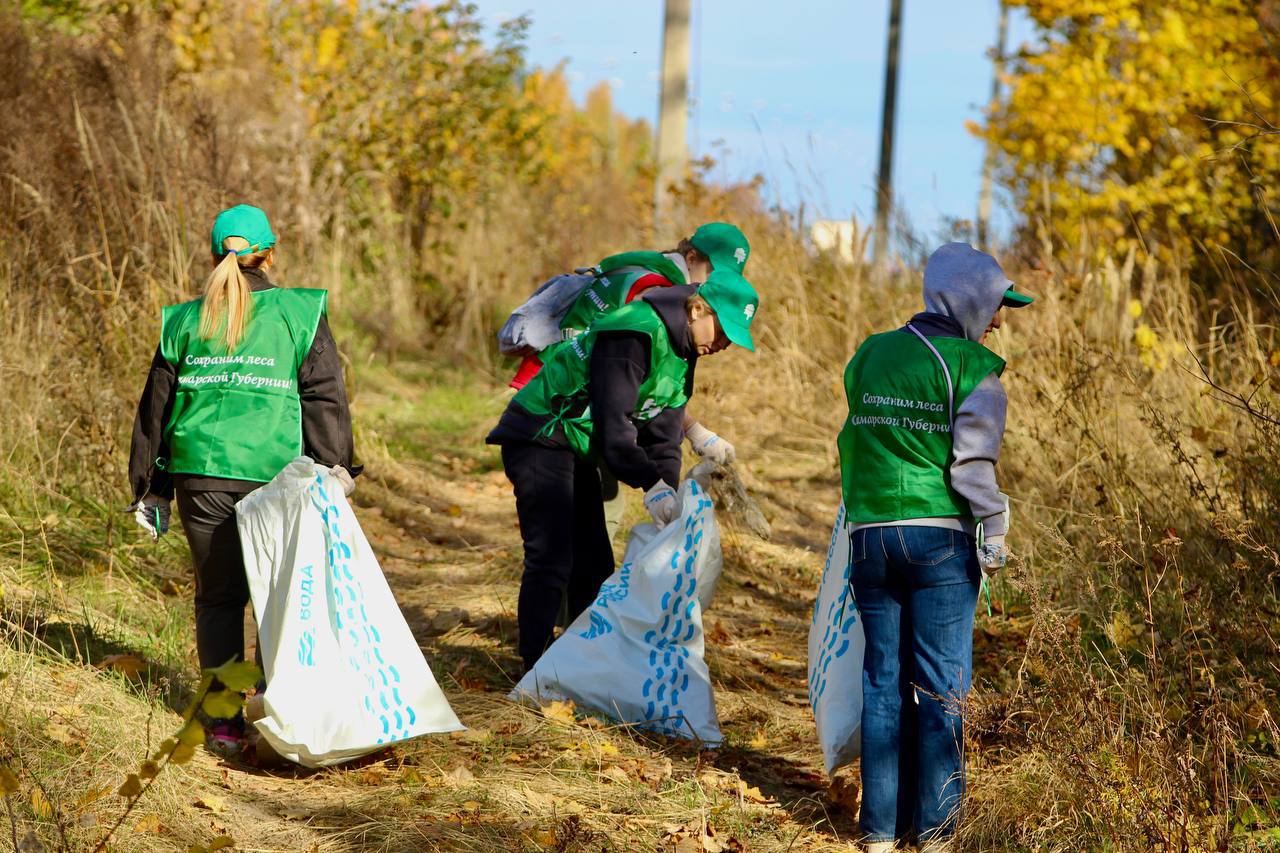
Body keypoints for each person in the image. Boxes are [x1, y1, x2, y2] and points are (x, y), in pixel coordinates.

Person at [127, 204, 359, 757]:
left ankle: (224, 726)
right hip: (277, 478)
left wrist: (150, 487)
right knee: (281, 600)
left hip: (200, 475)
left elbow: (156, 408)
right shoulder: (298, 312)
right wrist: (336, 467)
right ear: (269, 254)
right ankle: (283, 719)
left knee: (219, 600)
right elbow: (324, 394)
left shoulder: (185, 320)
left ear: (214, 256)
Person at [836, 242, 1033, 852]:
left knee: (882, 683)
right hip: (940, 541)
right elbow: (972, 468)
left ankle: (879, 833)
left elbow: (858, 436)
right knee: (942, 689)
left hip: (870, 537)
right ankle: (939, 833)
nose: (998, 320)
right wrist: (995, 528)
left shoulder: (870, 354)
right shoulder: (975, 370)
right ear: (969, 299)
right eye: (996, 305)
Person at [487, 268, 760, 671]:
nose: (723, 345)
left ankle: (581, 660)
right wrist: (651, 485)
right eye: (722, 332)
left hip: (575, 443)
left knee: (595, 561)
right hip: (540, 432)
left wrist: (669, 495)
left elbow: (663, 434)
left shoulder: (683, 351)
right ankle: (535, 666)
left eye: (731, 340)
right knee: (552, 554)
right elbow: (615, 428)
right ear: (698, 309)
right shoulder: (634, 332)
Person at [507, 223, 750, 538]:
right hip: (557, 405)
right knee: (591, 518)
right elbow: (633, 380)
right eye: (714, 272)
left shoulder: (650, 271)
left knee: (587, 526)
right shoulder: (661, 295)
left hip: (563, 393)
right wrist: (693, 434)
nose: (717, 284)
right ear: (691, 258)